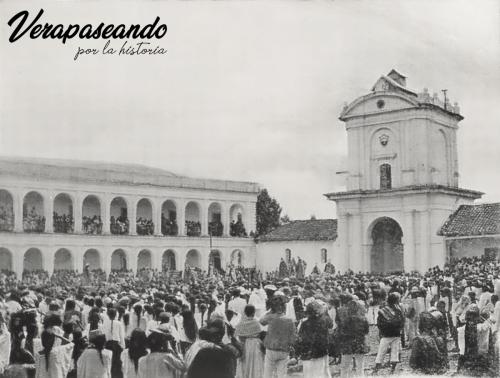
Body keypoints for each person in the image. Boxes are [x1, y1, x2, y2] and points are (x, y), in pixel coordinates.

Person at [260, 295, 296, 378]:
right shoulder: (289, 320)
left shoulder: (271, 317)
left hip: (271, 348)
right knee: (282, 374)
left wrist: (269, 312)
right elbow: (293, 337)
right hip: (284, 349)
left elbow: (261, 321)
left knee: (267, 373)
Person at [295, 300, 332, 378]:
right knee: (319, 374)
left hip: (307, 353)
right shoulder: (323, 322)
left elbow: (300, 338)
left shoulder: (304, 323)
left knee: (308, 375)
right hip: (320, 352)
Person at [336, 294, 369, 378]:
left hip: (347, 344)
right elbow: (366, 331)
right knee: (360, 366)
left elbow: (341, 332)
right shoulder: (363, 319)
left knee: (345, 366)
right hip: (360, 343)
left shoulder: (345, 321)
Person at [373, 292, 404, 374]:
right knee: (395, 352)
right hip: (396, 333)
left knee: (381, 352)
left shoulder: (383, 311)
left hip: (386, 334)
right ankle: (392, 371)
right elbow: (402, 321)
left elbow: (379, 323)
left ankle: (376, 370)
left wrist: (381, 332)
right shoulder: (399, 310)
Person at [234, 305, 264, 378]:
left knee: (245, 364)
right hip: (256, 345)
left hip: (245, 344)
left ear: (245, 312)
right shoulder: (257, 322)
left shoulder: (241, 323)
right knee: (255, 364)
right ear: (254, 312)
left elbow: (240, 337)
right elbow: (260, 335)